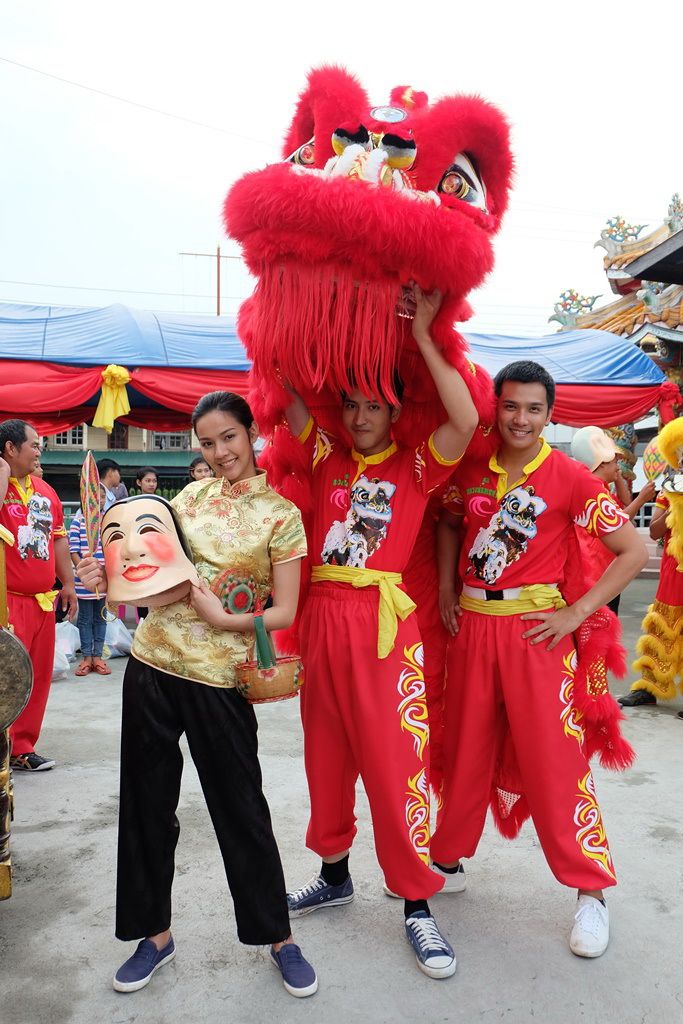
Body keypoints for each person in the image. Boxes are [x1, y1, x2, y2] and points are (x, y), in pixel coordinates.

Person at [77, 391, 318, 998]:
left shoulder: (281, 515)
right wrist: (108, 575)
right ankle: (153, 935)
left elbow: (285, 610)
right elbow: (152, 578)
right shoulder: (185, 500)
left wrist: (225, 619)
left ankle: (278, 937)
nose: (220, 452)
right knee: (146, 805)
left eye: (229, 437)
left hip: (221, 680)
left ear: (252, 433)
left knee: (241, 807)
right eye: (207, 443)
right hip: (152, 665)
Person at [283, 286, 478, 980]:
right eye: (352, 405)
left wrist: (421, 334)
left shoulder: (417, 465)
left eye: (374, 405)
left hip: (385, 630)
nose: (361, 416)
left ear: (394, 410)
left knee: (397, 767)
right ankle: (334, 874)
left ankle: (417, 903)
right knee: (325, 758)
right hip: (322, 621)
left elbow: (466, 416)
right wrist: (293, 311)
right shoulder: (324, 458)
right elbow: (286, 387)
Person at [433, 361, 648, 959]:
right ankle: (446, 861)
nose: (520, 419)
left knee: (556, 760)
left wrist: (577, 613)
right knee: (464, 750)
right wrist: (448, 588)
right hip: (471, 629)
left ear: (550, 415)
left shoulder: (571, 478)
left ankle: (591, 891)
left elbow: (633, 551)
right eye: (510, 406)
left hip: (538, 637)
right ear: (495, 408)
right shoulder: (471, 468)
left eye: (533, 408)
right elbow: (448, 522)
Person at [0, 419, 78, 772]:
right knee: (6, 677)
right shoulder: (2, 484)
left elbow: (58, 539)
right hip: (6, 601)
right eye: (33, 445)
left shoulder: (46, 491)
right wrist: (2, 473)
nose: (39, 451)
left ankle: (22, 748)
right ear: (10, 448)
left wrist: (69, 585)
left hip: (43, 601)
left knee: (36, 677)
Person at [570, 425, 656, 614]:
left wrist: (616, 477)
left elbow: (624, 503)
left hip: (603, 569)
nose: (618, 466)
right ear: (601, 463)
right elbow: (619, 521)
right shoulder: (593, 491)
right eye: (614, 462)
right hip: (595, 572)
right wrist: (641, 499)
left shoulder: (599, 488)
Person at [69, 483, 110, 676]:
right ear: (85, 499)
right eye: (95, 496)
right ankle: (86, 658)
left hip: (104, 579)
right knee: (85, 620)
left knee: (101, 618)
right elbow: (73, 551)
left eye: (102, 496)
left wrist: (104, 574)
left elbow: (112, 549)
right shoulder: (78, 522)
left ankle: (98, 657)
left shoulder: (108, 521)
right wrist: (85, 572)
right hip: (83, 582)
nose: (99, 500)